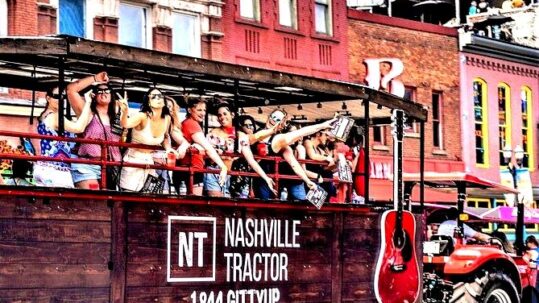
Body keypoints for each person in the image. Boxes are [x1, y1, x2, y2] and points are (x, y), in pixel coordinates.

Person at [254, 109, 337, 199]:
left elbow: (294, 163)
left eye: (278, 120)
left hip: (267, 179)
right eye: (273, 117)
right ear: (269, 117)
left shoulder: (279, 141)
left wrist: (307, 180)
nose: (273, 120)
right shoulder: (257, 133)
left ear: (281, 125)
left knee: (266, 205)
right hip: (257, 177)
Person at [204, 102, 275, 197]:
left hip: (231, 175)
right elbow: (208, 156)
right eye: (219, 115)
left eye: (225, 114)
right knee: (216, 203)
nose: (222, 117)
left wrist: (266, 178)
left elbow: (250, 159)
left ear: (232, 115)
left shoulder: (240, 135)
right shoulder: (213, 133)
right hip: (214, 172)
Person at [66, 72, 122, 190]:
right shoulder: (87, 112)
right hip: (87, 164)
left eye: (107, 90)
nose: (103, 93)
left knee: (110, 202)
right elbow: (71, 90)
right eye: (99, 91)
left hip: (111, 166)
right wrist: (95, 78)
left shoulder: (117, 116)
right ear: (93, 95)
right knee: (94, 199)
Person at [116, 88, 176, 192]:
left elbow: (165, 136)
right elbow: (125, 124)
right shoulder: (142, 116)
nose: (158, 98)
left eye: (160, 95)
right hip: (133, 160)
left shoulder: (167, 118)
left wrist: (168, 149)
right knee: (128, 198)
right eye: (153, 96)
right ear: (148, 101)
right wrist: (124, 112)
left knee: (147, 199)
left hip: (150, 161)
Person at [33, 87, 93, 188]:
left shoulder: (44, 115)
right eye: (57, 96)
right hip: (56, 169)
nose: (61, 100)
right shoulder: (55, 116)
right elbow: (79, 128)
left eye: (63, 97)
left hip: (44, 166)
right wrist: (87, 102)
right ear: (48, 98)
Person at [172, 96, 227, 196]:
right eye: (199, 110)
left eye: (204, 110)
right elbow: (207, 147)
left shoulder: (186, 123)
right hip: (191, 169)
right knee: (193, 206)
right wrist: (223, 166)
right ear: (189, 110)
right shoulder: (191, 124)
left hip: (187, 169)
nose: (203, 113)